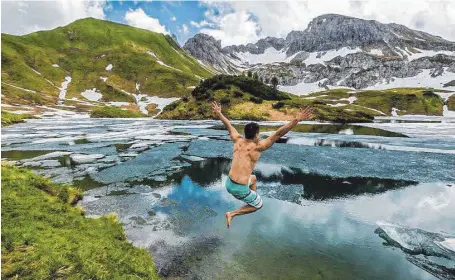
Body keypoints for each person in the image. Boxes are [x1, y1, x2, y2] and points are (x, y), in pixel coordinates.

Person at [211, 101, 313, 228]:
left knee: (253, 178)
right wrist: (297, 119)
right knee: (258, 206)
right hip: (239, 189)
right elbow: (278, 134)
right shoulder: (258, 147)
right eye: (258, 134)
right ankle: (232, 214)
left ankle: (253, 196)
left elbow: (228, 125)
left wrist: (219, 113)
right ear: (256, 135)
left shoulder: (237, 140)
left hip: (229, 183)